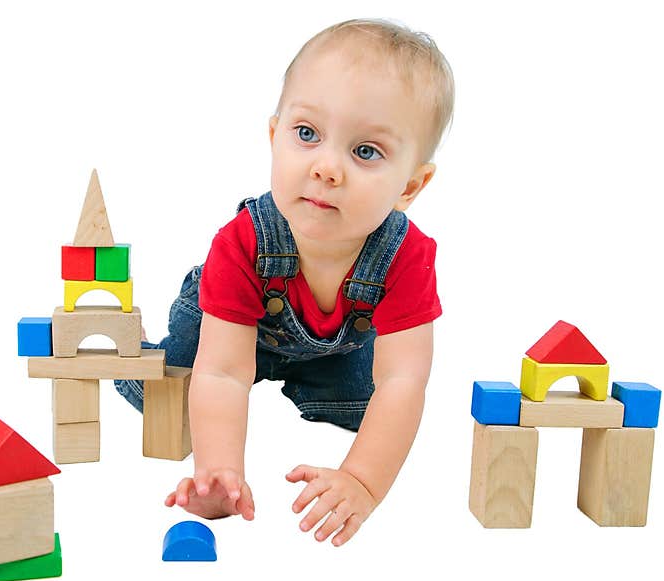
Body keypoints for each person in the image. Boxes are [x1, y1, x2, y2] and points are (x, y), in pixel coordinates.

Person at [115, 18, 454, 546]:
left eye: (365, 152)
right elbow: (224, 372)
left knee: (373, 414)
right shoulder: (243, 242)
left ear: (410, 184)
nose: (326, 168)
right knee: (172, 398)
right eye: (307, 134)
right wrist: (219, 470)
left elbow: (403, 380)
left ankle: (300, 385)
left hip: (330, 349)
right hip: (223, 333)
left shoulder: (406, 257)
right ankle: (138, 358)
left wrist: (362, 481)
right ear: (275, 136)